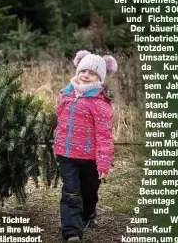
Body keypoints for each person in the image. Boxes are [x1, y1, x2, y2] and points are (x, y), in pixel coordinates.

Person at [53, 50, 117, 243]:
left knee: (89, 191)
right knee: (71, 192)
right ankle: (72, 231)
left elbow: (105, 136)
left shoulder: (100, 104)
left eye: (92, 73)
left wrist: (103, 163)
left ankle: (88, 214)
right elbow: (60, 121)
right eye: (83, 71)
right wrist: (58, 140)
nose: (86, 75)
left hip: (90, 158)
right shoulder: (66, 95)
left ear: (100, 78)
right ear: (77, 70)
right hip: (67, 154)